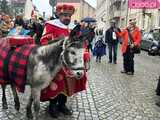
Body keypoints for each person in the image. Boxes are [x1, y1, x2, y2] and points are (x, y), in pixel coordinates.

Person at [40, 4, 88, 118]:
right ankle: (53, 105)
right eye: (65, 15)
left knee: (68, 85)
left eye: (69, 15)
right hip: (56, 61)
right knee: (55, 84)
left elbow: (81, 42)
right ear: (59, 15)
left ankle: (62, 104)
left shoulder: (74, 28)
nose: (67, 18)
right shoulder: (51, 25)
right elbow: (44, 41)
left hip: (71, 63)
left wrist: (85, 53)